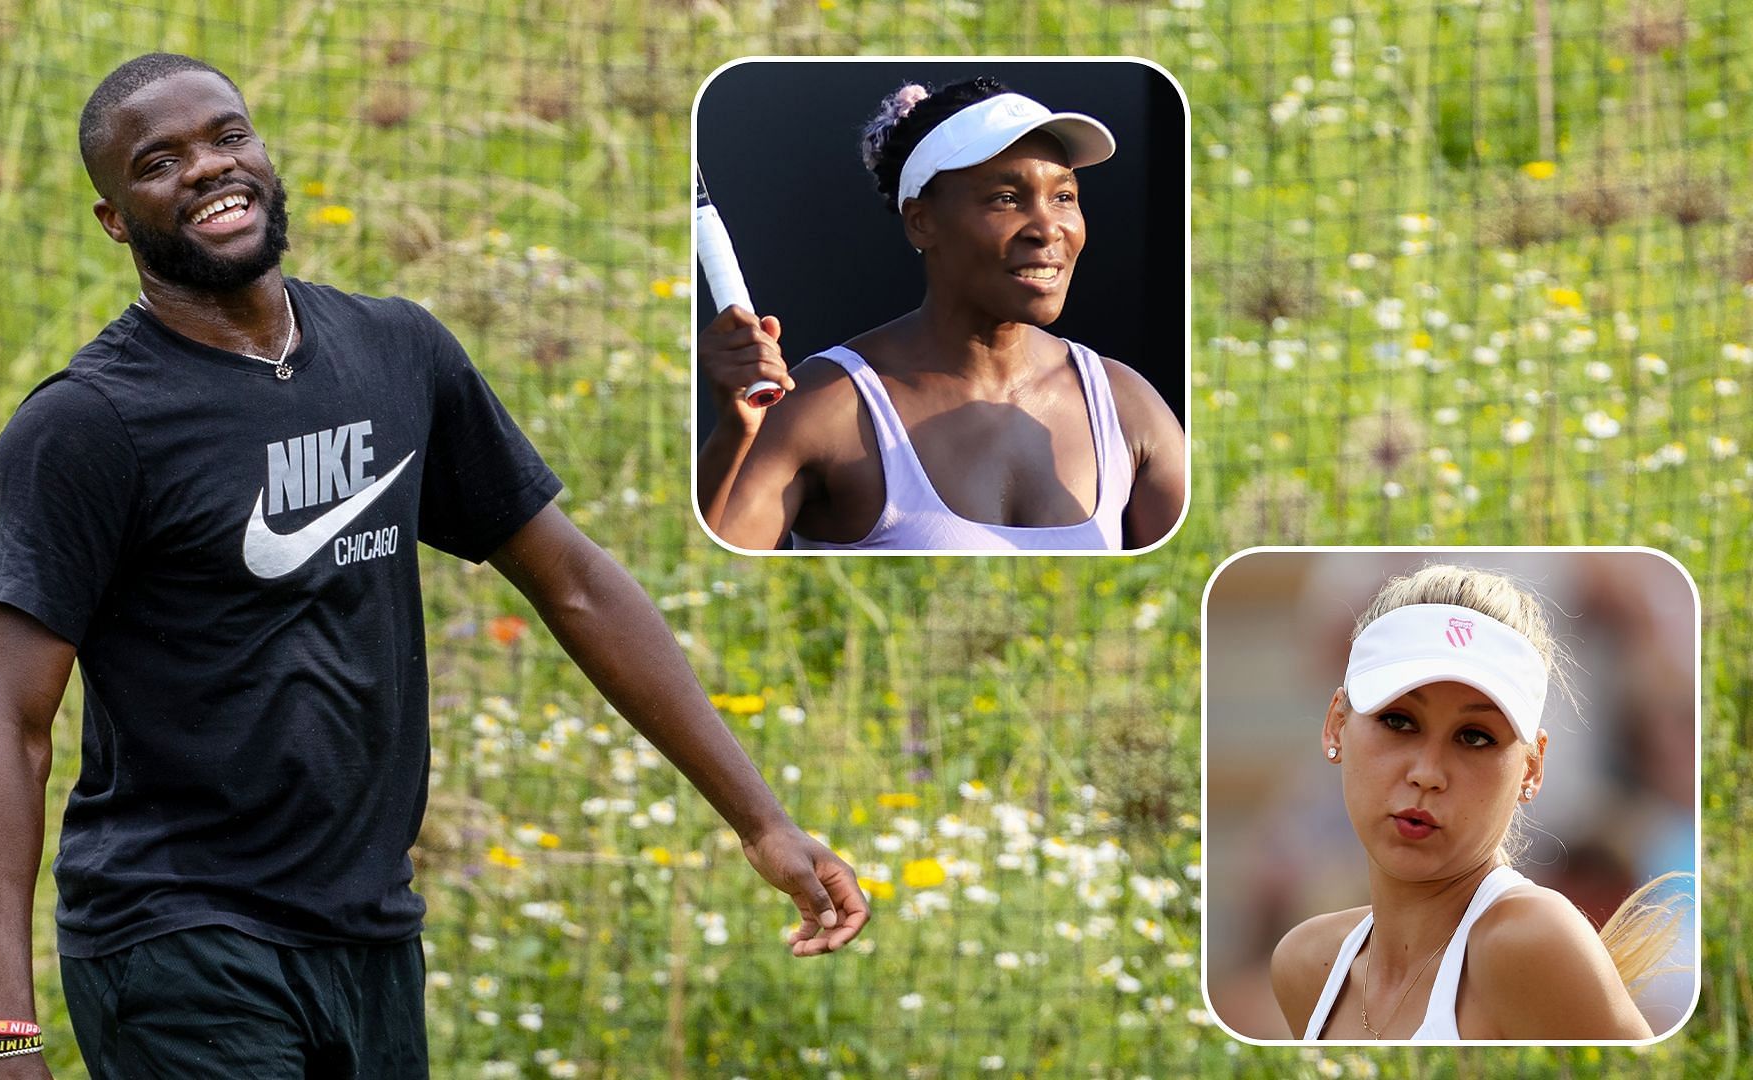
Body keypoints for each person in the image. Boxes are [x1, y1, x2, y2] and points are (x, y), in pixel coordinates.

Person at [0, 53, 867, 1078]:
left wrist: (762, 821)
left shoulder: (395, 353)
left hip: (371, 930)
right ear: (116, 219)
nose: (209, 167)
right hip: (180, 941)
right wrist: (2, 1028)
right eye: (159, 161)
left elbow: (572, 581)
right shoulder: (86, 426)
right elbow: (3, 717)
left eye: (227, 135)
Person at [697, 77, 1186, 552]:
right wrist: (735, 435)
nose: (1048, 229)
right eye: (1006, 199)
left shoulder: (1127, 405)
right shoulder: (826, 409)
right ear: (921, 222)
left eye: (1064, 197)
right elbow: (708, 583)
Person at [1270, 564, 1684, 1041]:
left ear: (1532, 768)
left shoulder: (1534, 939)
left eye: (1475, 737)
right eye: (1399, 721)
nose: (1427, 772)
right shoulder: (1304, 965)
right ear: (1336, 725)